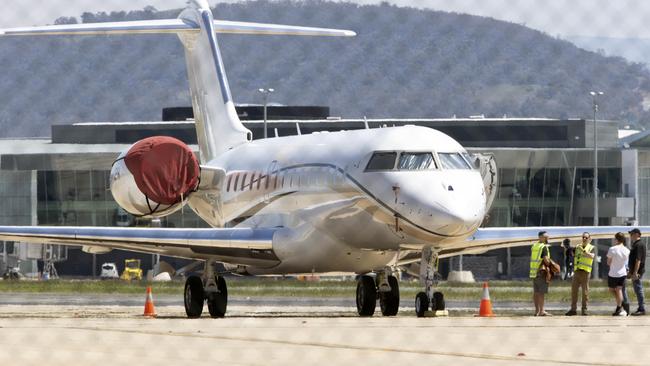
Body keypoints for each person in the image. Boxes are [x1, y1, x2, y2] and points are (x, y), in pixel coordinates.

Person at [565, 232, 595, 316]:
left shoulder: (591, 247)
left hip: (585, 272)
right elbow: (571, 254)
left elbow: (592, 256)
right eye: (583, 237)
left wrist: (583, 250)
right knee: (574, 291)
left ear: (589, 239)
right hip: (577, 271)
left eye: (586, 237)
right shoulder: (577, 247)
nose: (584, 239)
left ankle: (584, 309)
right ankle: (573, 309)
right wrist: (567, 247)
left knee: (585, 292)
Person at [607, 232, 630, 316]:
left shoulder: (612, 249)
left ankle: (619, 306)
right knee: (619, 290)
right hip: (622, 273)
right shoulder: (627, 250)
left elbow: (608, 262)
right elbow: (626, 262)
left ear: (616, 239)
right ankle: (619, 305)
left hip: (613, 273)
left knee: (612, 290)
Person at [530, 231, 551, 316]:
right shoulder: (544, 247)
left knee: (536, 292)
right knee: (541, 293)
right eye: (546, 237)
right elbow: (546, 260)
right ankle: (542, 311)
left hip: (534, 273)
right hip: (541, 272)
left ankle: (536, 311)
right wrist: (552, 265)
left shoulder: (534, 246)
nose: (548, 238)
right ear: (541, 237)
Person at [627, 228, 646, 315]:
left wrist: (635, 272)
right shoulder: (636, 244)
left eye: (632, 234)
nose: (630, 236)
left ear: (637, 234)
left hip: (637, 271)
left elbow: (638, 260)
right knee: (637, 289)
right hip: (635, 271)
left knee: (638, 289)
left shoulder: (639, 245)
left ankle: (641, 309)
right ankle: (640, 307)